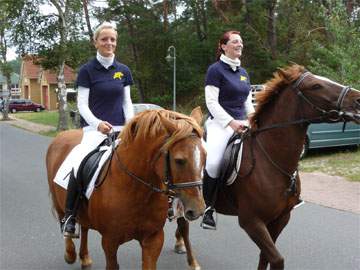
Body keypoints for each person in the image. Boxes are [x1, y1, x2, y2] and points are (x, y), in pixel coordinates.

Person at [54, 22, 134, 237]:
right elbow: (82, 104)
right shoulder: (87, 70)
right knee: (78, 163)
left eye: (112, 39)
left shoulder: (123, 70)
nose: (109, 43)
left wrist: (131, 125)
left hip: (121, 130)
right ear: (96, 42)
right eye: (104, 39)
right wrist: (97, 124)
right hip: (94, 130)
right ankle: (70, 216)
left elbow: (127, 102)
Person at [201, 30, 255, 230]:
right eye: (234, 42)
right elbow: (211, 102)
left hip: (244, 123)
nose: (239, 44)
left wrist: (254, 119)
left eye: (241, 41)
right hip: (220, 124)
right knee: (214, 163)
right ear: (223, 46)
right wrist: (231, 123)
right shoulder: (215, 70)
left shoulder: (243, 73)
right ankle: (208, 208)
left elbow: (247, 103)